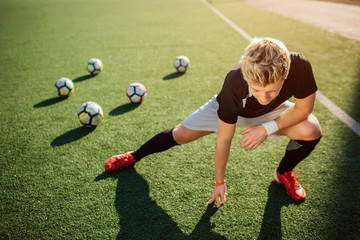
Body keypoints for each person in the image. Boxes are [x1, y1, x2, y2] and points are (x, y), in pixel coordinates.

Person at [105, 37, 322, 206]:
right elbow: (224, 141)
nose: (264, 97)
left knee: (311, 129)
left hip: (271, 114)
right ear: (247, 77)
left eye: (272, 90)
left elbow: (304, 108)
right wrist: (220, 182)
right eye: (256, 90)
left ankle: (282, 172)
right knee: (180, 135)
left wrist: (267, 128)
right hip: (229, 108)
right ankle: (133, 156)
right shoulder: (234, 83)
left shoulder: (299, 66)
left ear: (286, 74)